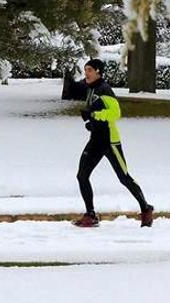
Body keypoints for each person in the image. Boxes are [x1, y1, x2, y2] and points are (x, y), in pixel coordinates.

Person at [62, 58, 154, 227]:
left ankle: (146, 209)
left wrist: (96, 116)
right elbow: (75, 91)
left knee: (124, 178)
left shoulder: (104, 90)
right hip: (96, 140)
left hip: (110, 141)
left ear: (98, 71)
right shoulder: (91, 88)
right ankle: (90, 215)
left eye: (89, 70)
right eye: (85, 70)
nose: (86, 73)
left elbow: (116, 113)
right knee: (82, 175)